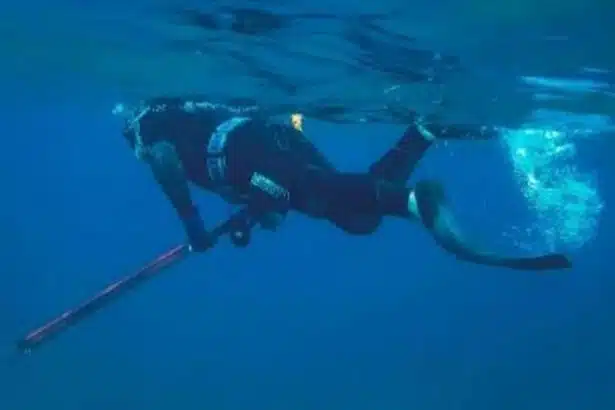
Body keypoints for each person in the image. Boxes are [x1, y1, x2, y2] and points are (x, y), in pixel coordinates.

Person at [115, 96, 571, 271]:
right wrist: (254, 212)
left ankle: (414, 201)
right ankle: (421, 135)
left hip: (251, 152)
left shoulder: (144, 124)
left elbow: (164, 159)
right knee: (354, 216)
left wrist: (192, 222)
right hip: (272, 142)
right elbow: (272, 209)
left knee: (329, 200)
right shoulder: (185, 109)